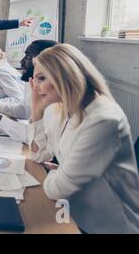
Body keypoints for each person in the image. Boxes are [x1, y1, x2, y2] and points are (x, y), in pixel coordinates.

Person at [29, 44, 139, 233]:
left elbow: (58, 189)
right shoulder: (62, 108)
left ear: (64, 76)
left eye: (41, 78)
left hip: (106, 225)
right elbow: (39, 156)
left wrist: (60, 173)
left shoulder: (103, 120)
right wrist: (36, 111)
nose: (34, 85)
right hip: (75, 211)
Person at [0, 40, 57, 143]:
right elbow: (25, 109)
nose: (21, 62)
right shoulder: (29, 80)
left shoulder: (0, 71)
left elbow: (37, 140)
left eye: (28, 57)